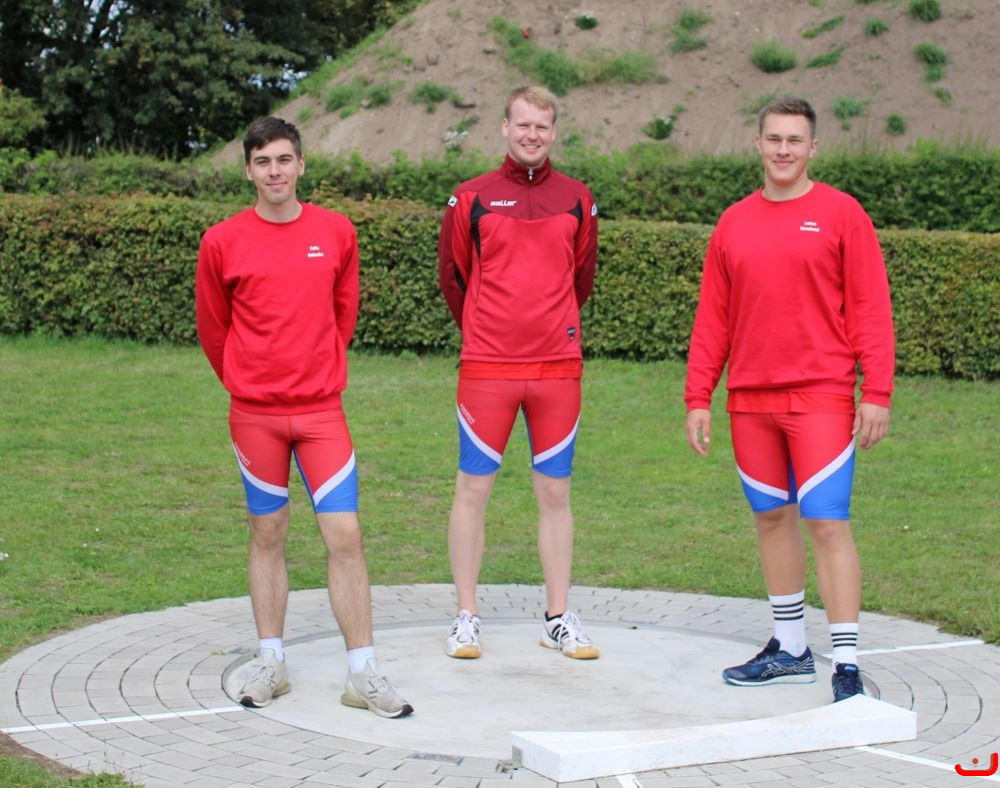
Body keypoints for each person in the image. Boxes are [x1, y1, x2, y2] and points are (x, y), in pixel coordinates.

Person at [196, 116, 413, 718]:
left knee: (346, 534)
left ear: (300, 164)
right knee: (267, 532)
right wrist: (248, 381)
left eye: (284, 159)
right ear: (248, 170)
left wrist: (315, 369)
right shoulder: (222, 241)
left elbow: (344, 313)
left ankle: (362, 673)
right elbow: (214, 328)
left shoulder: (336, 231)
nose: (275, 172)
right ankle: (271, 662)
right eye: (263, 161)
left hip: (321, 413)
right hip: (255, 416)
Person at [684, 97, 895, 703]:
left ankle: (846, 663)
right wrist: (698, 394)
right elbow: (713, 318)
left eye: (794, 140)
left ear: (812, 147)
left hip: (822, 395)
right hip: (750, 400)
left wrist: (876, 391)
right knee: (772, 518)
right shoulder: (733, 223)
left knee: (827, 521)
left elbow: (870, 307)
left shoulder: (842, 214)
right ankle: (791, 648)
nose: (783, 150)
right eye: (773, 138)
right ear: (758, 143)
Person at [437, 86, 600, 661]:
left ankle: (558, 617)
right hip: (488, 368)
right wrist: (488, 329)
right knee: (473, 488)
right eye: (523, 124)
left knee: (555, 491)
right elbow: (453, 277)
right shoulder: (471, 197)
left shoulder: (577, 198)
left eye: (542, 126)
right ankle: (466, 616)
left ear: (553, 131)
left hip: (557, 369)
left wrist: (550, 327)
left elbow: (581, 278)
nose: (533, 135)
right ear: (505, 127)